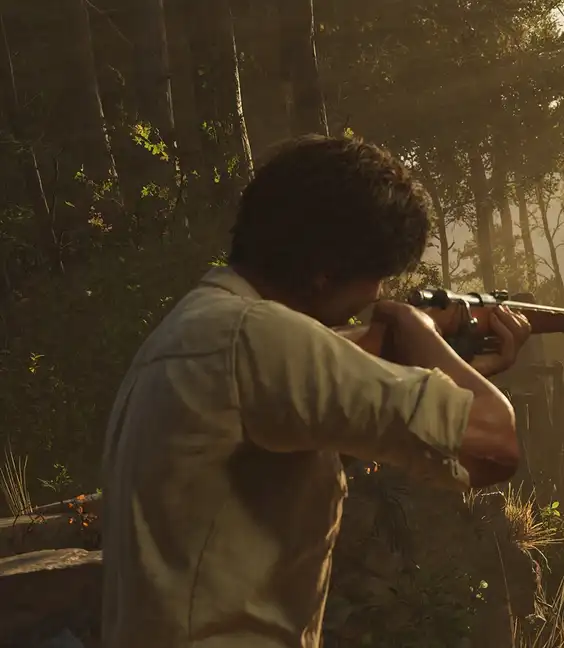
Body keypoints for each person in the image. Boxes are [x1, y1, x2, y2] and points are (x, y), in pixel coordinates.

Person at [100, 134, 533, 648]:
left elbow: (329, 390)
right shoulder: (259, 338)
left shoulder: (199, 327)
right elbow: (496, 443)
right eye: (376, 277)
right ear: (324, 272)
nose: (376, 295)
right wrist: (413, 328)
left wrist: (449, 364)